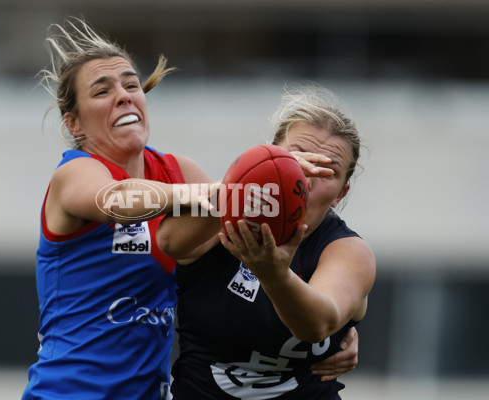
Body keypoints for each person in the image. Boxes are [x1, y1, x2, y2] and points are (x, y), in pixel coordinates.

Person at [22, 17, 361, 400]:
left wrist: (332, 333)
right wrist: (234, 189)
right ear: (74, 122)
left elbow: (233, 270)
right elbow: (116, 201)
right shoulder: (76, 174)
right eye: (102, 91)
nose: (124, 95)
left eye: (132, 84)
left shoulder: (180, 173)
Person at [157, 85, 376, 399]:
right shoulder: (220, 217)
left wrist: (274, 275)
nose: (308, 176)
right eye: (297, 157)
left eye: (327, 170)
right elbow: (169, 241)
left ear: (341, 194)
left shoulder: (347, 250)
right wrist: (243, 186)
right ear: (271, 155)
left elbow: (316, 324)